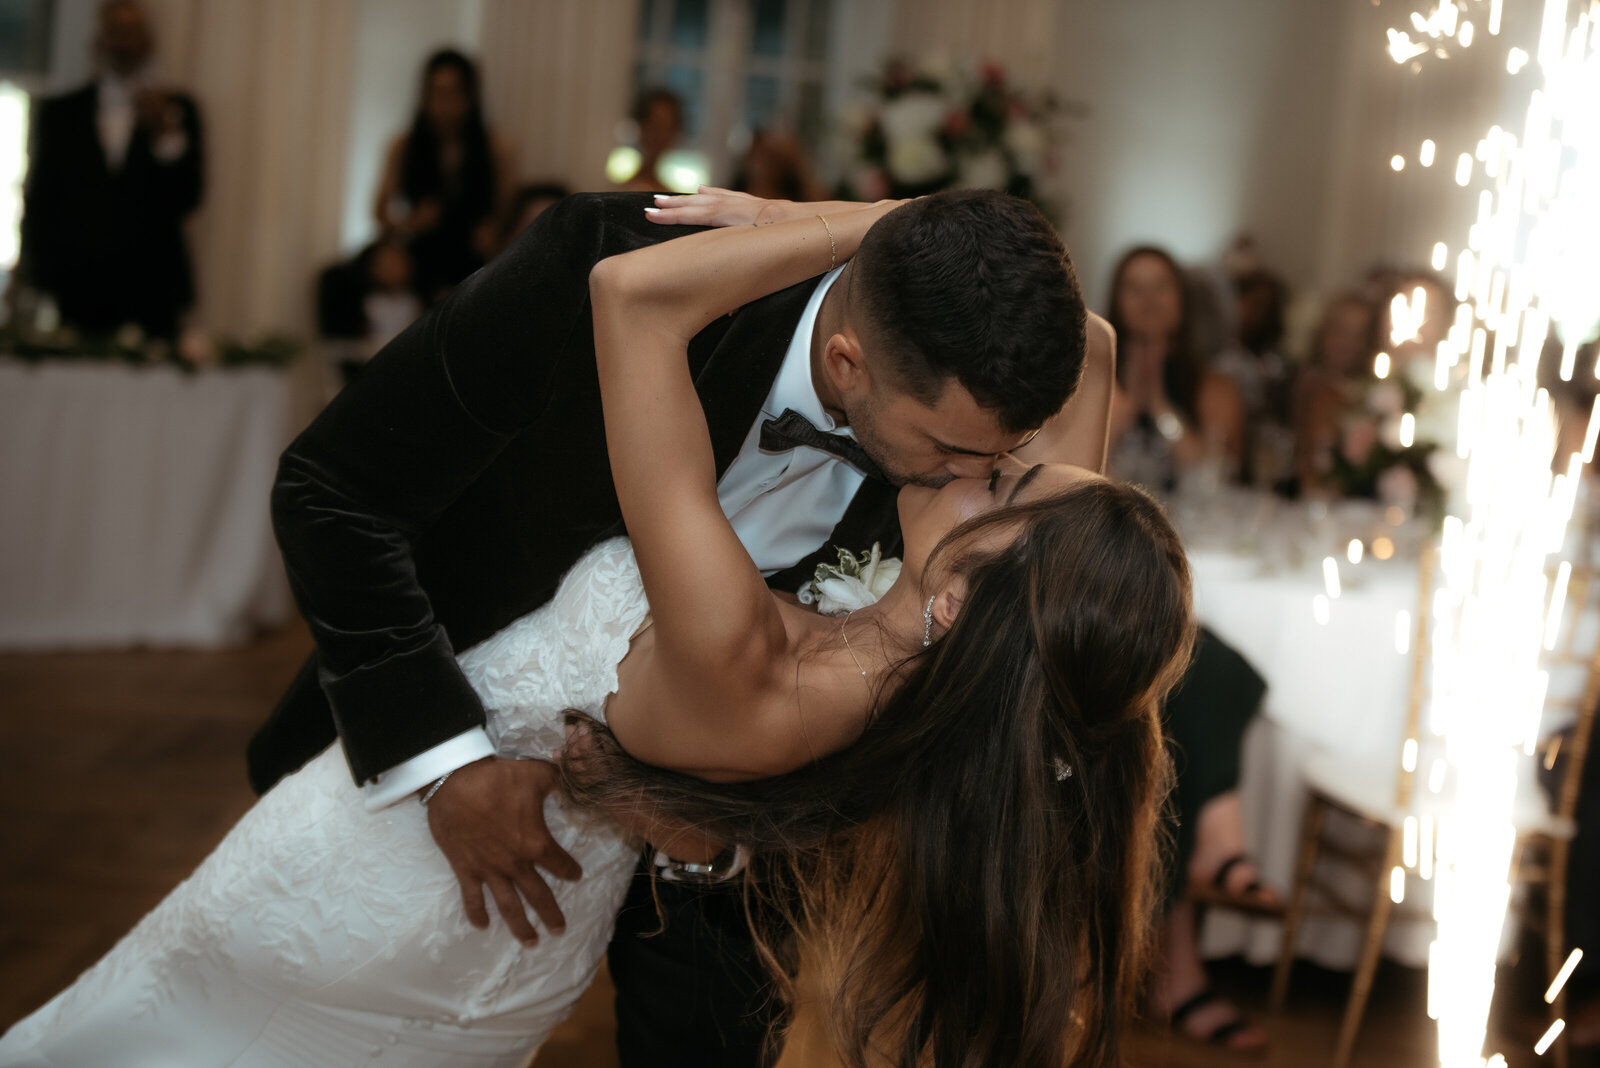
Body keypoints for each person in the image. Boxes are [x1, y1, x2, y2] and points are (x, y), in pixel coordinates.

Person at [0, 198, 1195, 1068]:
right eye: (964, 458)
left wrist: (859, 227)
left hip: (661, 909)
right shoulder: (601, 263)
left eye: (1003, 470)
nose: (991, 472)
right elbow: (332, 491)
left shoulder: (946, 487)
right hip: (413, 822)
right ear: (848, 360)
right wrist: (442, 760)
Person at [17, 0, 203, 340]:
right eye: (116, 32)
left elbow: (189, 197)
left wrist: (165, 137)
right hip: (79, 288)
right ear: (99, 41)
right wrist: (38, 277)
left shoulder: (178, 110)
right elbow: (43, 200)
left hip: (154, 288)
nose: (125, 43)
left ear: (148, 41)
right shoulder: (62, 113)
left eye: (133, 32)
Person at [373, 49, 514, 302]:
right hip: (422, 254)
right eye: (436, 94)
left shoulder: (495, 148)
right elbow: (379, 212)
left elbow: (508, 210)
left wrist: (494, 234)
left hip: (473, 255)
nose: (444, 106)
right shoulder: (404, 146)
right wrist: (411, 222)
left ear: (470, 97)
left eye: (453, 94)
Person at [1107, 246, 1246, 494]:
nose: (1149, 300)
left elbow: (1213, 480)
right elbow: (1079, 472)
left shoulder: (1213, 386)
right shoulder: (1091, 381)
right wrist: (1128, 407)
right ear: (1117, 301)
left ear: (1182, 298)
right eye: (1135, 288)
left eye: (1161, 287)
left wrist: (1161, 407)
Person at [1291, 291, 1379, 497]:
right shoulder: (1307, 384)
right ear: (1323, 331)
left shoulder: (1374, 395)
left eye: (1359, 335)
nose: (1347, 343)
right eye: (1340, 330)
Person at [615, 87, 685, 193]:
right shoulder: (623, 189)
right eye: (654, 126)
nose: (660, 135)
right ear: (642, 127)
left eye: (667, 128)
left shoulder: (670, 193)